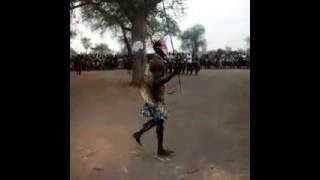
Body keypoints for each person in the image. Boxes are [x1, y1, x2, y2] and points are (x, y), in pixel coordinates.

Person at [133, 57, 180, 157]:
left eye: (160, 71)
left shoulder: (156, 79)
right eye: (157, 71)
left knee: (158, 124)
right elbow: (163, 81)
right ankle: (159, 149)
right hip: (155, 105)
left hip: (157, 104)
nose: (159, 73)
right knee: (159, 124)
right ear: (153, 71)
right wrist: (174, 73)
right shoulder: (154, 81)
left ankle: (140, 134)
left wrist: (174, 72)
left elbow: (164, 83)